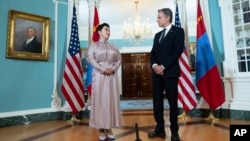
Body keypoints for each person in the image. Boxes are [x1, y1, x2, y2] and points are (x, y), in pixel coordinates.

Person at [148, 8, 184, 141]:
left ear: (168, 18)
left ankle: (174, 132)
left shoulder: (178, 31)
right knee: (157, 102)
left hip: (170, 73)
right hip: (157, 74)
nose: (157, 20)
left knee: (172, 103)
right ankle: (160, 129)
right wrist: (154, 66)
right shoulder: (157, 35)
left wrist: (163, 66)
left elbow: (177, 52)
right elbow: (153, 53)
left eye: (159, 17)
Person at [87, 23, 122, 141]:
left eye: (109, 29)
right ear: (99, 32)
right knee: (101, 101)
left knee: (111, 101)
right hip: (99, 75)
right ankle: (101, 128)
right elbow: (91, 59)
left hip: (112, 75)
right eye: (106, 29)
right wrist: (103, 69)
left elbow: (119, 59)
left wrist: (113, 69)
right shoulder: (94, 46)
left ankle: (109, 128)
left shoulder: (114, 46)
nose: (109, 31)